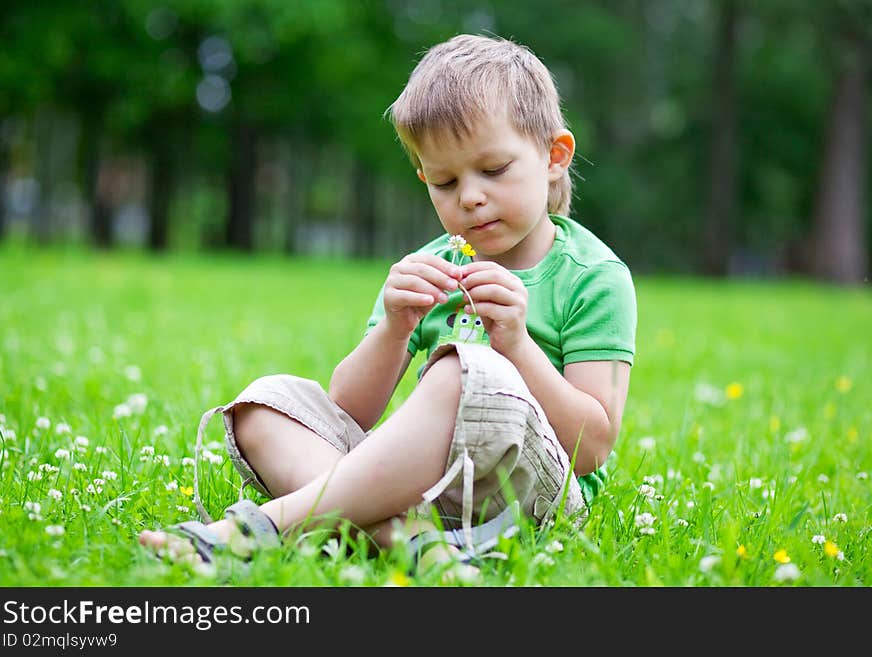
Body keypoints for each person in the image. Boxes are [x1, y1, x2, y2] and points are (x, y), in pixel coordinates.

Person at [139, 33, 637, 575]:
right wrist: (395, 328)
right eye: (445, 182)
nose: (469, 197)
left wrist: (515, 345)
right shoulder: (430, 266)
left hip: (528, 500)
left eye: (493, 170)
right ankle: (409, 538)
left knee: (462, 368)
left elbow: (591, 449)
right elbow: (348, 410)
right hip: (416, 483)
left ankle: (262, 527)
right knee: (266, 406)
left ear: (553, 157)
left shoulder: (593, 277)